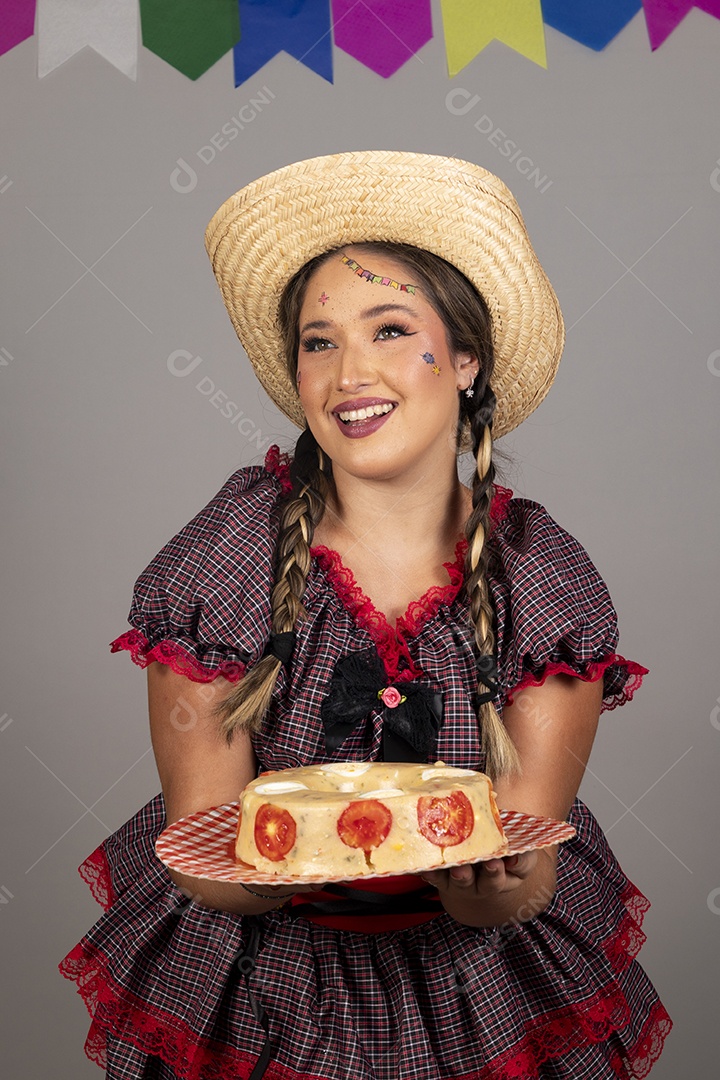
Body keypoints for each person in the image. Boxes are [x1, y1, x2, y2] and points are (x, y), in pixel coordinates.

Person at [59, 150, 671, 1079]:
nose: (350, 372)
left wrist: (490, 888)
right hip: (271, 994)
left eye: (390, 330)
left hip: (475, 996)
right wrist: (251, 868)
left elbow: (526, 869)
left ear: (466, 357)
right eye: (319, 340)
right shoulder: (228, 557)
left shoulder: (538, 581)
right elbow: (202, 842)